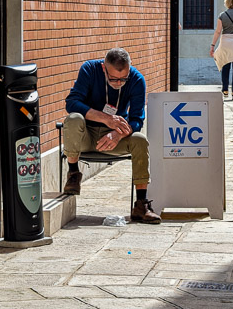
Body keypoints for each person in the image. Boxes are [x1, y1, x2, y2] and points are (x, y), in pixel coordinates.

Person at [62, 47, 161, 224]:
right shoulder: (90, 69)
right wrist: (105, 118)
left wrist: (118, 134)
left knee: (140, 139)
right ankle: (73, 173)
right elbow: (72, 103)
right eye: (114, 78)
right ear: (103, 68)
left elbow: (137, 119)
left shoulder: (137, 80)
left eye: (124, 78)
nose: (119, 83)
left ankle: (141, 205)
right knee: (73, 119)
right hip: (86, 135)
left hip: (115, 138)